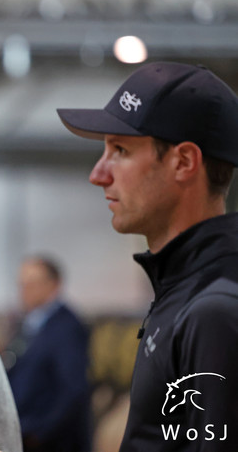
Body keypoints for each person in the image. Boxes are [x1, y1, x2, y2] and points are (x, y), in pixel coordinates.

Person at [57, 61, 238, 451]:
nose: (98, 174)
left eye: (120, 150)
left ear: (184, 162)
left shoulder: (214, 312)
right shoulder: (182, 293)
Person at [3, 255, 92, 452]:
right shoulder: (27, 324)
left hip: (51, 443)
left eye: (32, 283)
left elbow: (73, 390)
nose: (24, 290)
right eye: (22, 284)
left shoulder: (67, 328)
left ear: (54, 285)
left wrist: (38, 433)